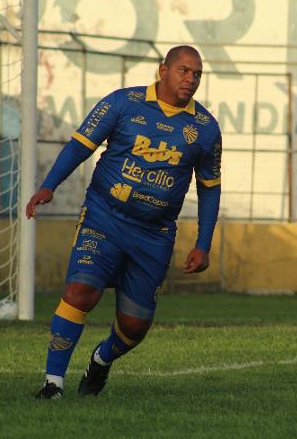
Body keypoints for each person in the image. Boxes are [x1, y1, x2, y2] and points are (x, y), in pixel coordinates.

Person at [26, 45, 222, 399]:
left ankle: (101, 360)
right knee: (80, 291)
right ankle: (52, 384)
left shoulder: (205, 128)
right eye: (183, 71)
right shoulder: (122, 103)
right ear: (163, 70)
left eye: (197, 74)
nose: (190, 79)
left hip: (154, 234)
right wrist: (48, 186)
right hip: (105, 216)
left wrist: (203, 243)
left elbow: (209, 189)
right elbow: (79, 145)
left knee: (134, 326)